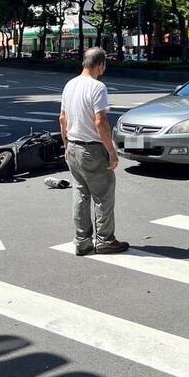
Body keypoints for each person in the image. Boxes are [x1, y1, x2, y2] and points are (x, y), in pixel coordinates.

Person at [59, 47, 129, 256]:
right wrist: (112, 151)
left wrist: (65, 145)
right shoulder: (98, 87)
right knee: (103, 195)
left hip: (73, 145)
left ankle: (82, 241)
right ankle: (105, 240)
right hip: (92, 149)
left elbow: (62, 119)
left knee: (80, 193)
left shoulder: (69, 85)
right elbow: (100, 122)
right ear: (100, 64)